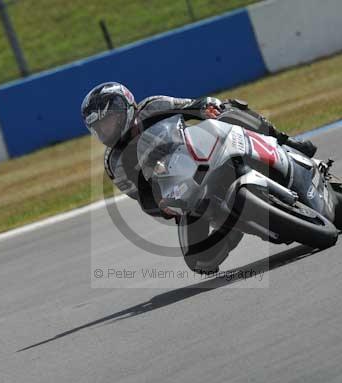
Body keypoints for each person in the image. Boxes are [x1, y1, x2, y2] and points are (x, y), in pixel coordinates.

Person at [81, 82, 317, 272]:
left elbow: (190, 106)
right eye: (99, 128)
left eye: (108, 121)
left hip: (200, 150)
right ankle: (230, 230)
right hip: (181, 191)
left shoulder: (153, 105)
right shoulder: (114, 163)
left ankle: (287, 141)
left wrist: (206, 107)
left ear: (126, 107)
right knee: (198, 262)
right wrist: (163, 207)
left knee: (230, 109)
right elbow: (141, 198)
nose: (105, 130)